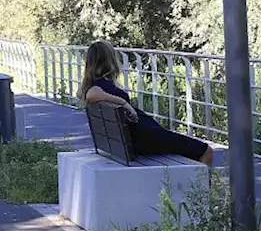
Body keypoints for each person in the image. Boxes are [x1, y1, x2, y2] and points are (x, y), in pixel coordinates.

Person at [78, 40, 214, 167]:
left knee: (189, 149)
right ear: (110, 60)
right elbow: (91, 95)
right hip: (144, 137)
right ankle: (204, 192)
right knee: (206, 150)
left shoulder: (95, 83)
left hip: (141, 135)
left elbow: (82, 93)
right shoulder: (98, 87)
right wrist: (124, 102)